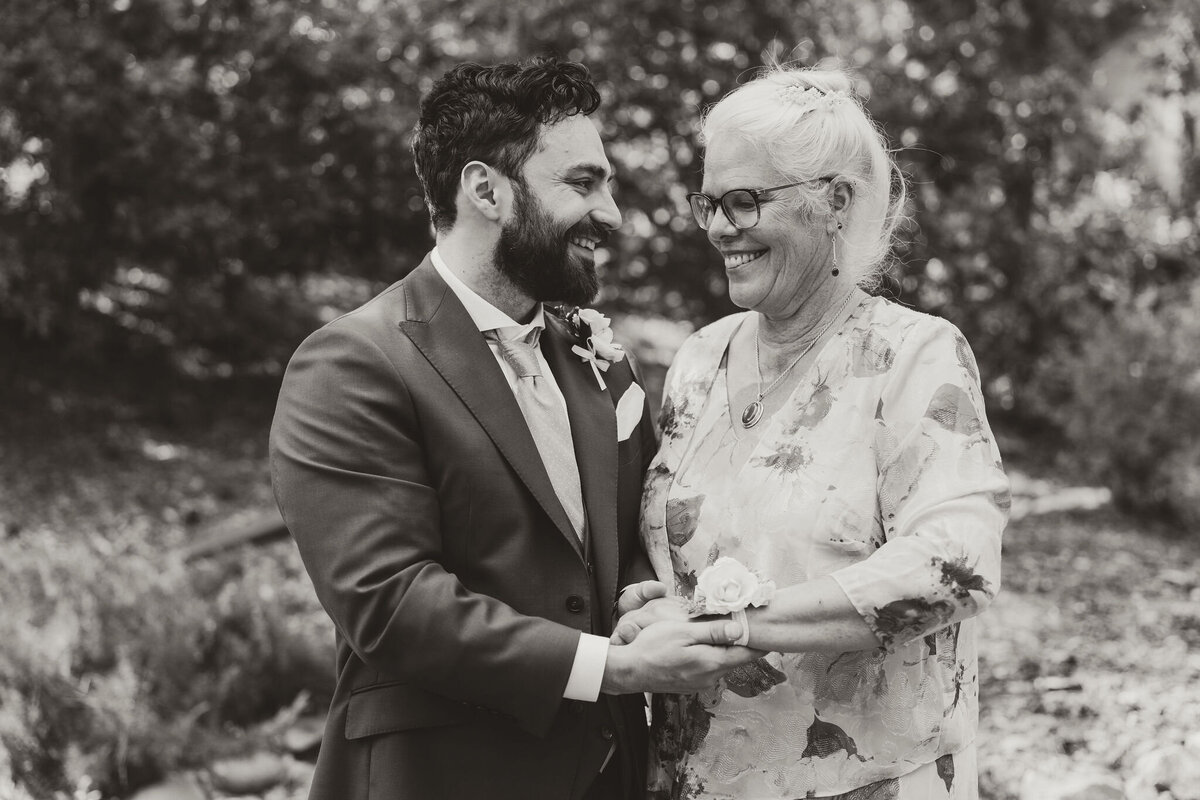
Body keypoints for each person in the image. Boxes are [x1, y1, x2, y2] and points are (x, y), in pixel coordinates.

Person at [269, 57, 757, 800]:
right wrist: (610, 667)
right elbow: (391, 601)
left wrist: (642, 600)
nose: (613, 214)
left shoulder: (599, 359)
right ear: (486, 189)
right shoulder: (353, 362)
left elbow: (631, 536)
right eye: (582, 183)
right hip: (437, 777)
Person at [623, 65, 1010, 799]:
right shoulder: (698, 360)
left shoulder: (915, 356)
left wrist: (733, 624)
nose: (717, 227)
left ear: (835, 202)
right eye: (708, 202)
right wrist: (648, 596)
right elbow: (685, 549)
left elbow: (955, 565)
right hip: (691, 781)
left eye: (744, 201)